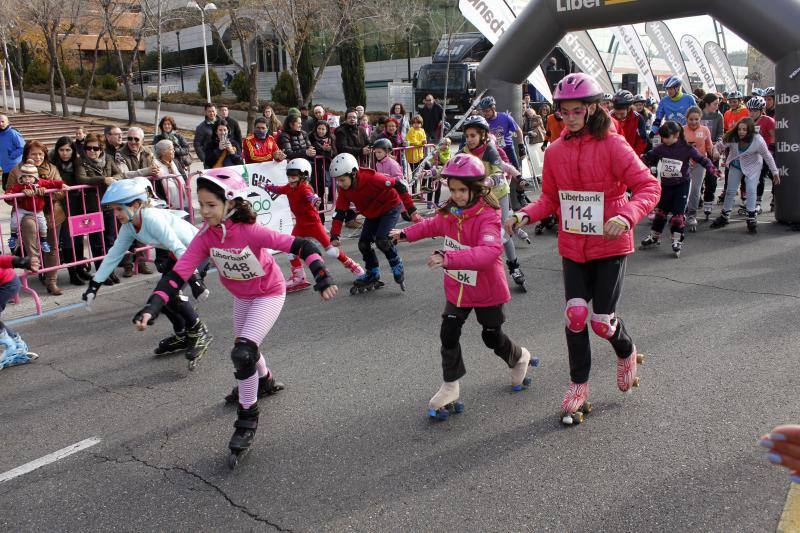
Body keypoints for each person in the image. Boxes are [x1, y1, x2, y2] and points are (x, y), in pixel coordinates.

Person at [132, 168, 337, 467]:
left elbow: (302, 245)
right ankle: (264, 381)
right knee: (248, 352)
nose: (204, 212)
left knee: (242, 352)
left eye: (210, 205)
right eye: (200, 204)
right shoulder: (206, 236)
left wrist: (321, 274)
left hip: (268, 293)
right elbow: (178, 274)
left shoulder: (251, 231)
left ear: (231, 204)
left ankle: (247, 420)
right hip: (243, 297)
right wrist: (152, 307)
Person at [506, 72, 660, 425]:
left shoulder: (614, 144)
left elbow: (649, 187)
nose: (571, 117)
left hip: (609, 245)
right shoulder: (556, 151)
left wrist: (627, 215)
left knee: (602, 323)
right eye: (565, 112)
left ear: (592, 109)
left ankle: (626, 351)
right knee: (575, 318)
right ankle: (579, 385)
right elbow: (549, 199)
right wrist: (523, 215)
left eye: (578, 111)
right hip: (573, 247)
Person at [389, 153, 534, 420]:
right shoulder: (451, 211)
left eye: (461, 190)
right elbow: (434, 224)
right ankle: (450, 386)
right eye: (452, 189)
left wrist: (447, 258)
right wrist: (405, 234)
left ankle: (518, 356)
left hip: (486, 288)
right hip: (458, 287)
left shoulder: (488, 215)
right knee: (448, 332)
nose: (456, 195)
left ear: (476, 189)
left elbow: (488, 253)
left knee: (491, 337)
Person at [82, 179, 211, 368]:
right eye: (114, 209)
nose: (115, 214)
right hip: (179, 255)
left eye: (119, 209)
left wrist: (195, 279)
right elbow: (113, 255)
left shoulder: (151, 217)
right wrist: (94, 285)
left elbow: (177, 247)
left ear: (135, 205)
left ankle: (199, 331)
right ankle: (183, 333)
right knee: (160, 297)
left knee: (172, 294)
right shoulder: (128, 227)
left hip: (195, 252)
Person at [263, 158, 364, 291]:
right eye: (289, 176)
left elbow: (311, 196)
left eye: (293, 177)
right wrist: (265, 185)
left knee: (332, 251)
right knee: (290, 251)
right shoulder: (288, 188)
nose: (290, 180)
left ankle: (355, 267)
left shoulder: (304, 188)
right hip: (300, 225)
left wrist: (315, 200)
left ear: (303, 176)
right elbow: (278, 189)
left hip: (314, 225)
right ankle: (299, 278)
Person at [328, 153, 420, 292]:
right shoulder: (344, 190)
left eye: (342, 180)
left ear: (353, 174)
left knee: (382, 240)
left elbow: (399, 186)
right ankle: (373, 273)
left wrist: (411, 210)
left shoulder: (372, 178)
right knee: (363, 244)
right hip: (372, 213)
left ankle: (396, 263)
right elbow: (340, 212)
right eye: (337, 181)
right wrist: (335, 235)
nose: (340, 184)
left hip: (390, 207)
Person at [460, 115, 527, 292]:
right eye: (467, 136)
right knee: (474, 232)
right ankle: (479, 269)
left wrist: (488, 181)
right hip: (479, 196)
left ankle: (514, 267)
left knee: (503, 233)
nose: (469, 139)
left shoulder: (490, 150)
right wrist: (436, 171)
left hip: (498, 194)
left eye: (473, 135)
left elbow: (499, 173)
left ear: (483, 135)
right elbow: (453, 167)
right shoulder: (465, 150)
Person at [640, 121, 718, 256]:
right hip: (666, 185)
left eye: (667, 137)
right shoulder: (661, 148)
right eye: (662, 137)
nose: (664, 140)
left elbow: (702, 159)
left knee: (678, 216)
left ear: (676, 135)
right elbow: (647, 157)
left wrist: (712, 169)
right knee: (661, 213)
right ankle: (654, 236)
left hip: (681, 185)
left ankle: (677, 239)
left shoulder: (687, 148)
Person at [7, 141, 66, 295]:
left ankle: (51, 281)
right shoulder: (16, 171)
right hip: (27, 212)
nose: (38, 156)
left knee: (52, 247)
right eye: (34, 153)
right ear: (27, 155)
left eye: (40, 153)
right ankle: (34, 264)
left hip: (52, 213)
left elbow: (61, 192)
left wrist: (45, 193)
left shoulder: (52, 168)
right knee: (30, 230)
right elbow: (8, 196)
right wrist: (20, 195)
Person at [710, 117, 779, 234]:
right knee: (730, 191)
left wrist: (775, 172)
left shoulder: (758, 140)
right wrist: (716, 151)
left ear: (750, 131)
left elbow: (767, 156)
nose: (741, 132)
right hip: (736, 165)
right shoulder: (733, 137)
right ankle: (725, 215)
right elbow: (718, 146)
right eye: (739, 129)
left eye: (744, 130)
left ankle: (751, 217)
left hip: (753, 166)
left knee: (751, 190)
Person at [75, 134, 124, 283]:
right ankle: (101, 273)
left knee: (110, 240)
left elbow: (119, 173)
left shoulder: (108, 158)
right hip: (91, 206)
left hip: (109, 203)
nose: (91, 151)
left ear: (101, 148)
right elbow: (81, 179)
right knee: (96, 241)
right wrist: (103, 180)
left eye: (95, 148)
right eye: (88, 148)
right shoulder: (81, 161)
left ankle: (110, 270)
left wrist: (113, 179)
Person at [51, 136, 93, 286]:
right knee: (68, 240)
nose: (65, 153)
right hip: (61, 207)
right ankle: (72, 273)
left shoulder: (77, 164)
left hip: (76, 205)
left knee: (79, 237)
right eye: (61, 150)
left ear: (73, 150)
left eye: (68, 150)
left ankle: (80, 267)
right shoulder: (53, 166)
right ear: (57, 151)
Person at [6, 161, 66, 256]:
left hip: (37, 211)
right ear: (21, 178)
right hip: (23, 210)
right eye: (25, 177)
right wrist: (11, 194)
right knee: (14, 221)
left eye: (30, 177)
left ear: (35, 177)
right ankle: (13, 237)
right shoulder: (19, 186)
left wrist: (61, 184)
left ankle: (43, 241)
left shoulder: (40, 183)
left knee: (43, 225)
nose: (27, 179)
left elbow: (51, 183)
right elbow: (10, 192)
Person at [0, 254, 40, 370]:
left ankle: (10, 346)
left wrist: (22, 262)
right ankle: (18, 345)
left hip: (7, 284)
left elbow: (3, 259)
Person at [682, 108, 715, 231]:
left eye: (696, 119)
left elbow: (709, 146)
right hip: (685, 164)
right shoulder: (682, 130)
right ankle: (681, 213)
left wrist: (714, 151)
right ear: (686, 119)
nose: (694, 122)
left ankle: (692, 215)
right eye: (691, 119)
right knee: (683, 189)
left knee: (695, 189)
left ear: (700, 119)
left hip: (699, 164)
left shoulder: (705, 130)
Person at [478, 95, 525, 171]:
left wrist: (521, 147)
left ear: (493, 108)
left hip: (508, 149)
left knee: (516, 172)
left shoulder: (505, 117)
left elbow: (518, 131)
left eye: (487, 111)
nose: (485, 113)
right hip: (493, 151)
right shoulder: (483, 122)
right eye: (483, 111)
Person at [747, 96, 776, 212]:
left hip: (766, 152)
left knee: (760, 176)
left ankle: (758, 202)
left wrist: (770, 150)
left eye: (755, 110)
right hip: (753, 154)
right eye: (750, 110)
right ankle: (752, 199)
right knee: (751, 177)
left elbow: (774, 136)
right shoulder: (748, 121)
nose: (752, 113)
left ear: (761, 110)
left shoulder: (768, 120)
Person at [153, 139, 188, 210]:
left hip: (185, 203)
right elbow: (156, 189)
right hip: (170, 207)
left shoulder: (175, 162)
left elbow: (185, 178)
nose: (174, 151)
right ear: (163, 152)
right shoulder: (155, 166)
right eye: (171, 149)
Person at [0, 115, 25, 191]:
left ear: (7, 122)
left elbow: (23, 147)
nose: (0, 123)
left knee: (15, 189)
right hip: (5, 167)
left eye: (2, 121)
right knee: (6, 188)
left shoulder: (13, 133)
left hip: (15, 167)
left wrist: (12, 155)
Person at [522, 107, 545, 178]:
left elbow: (540, 124)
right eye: (528, 113)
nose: (529, 114)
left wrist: (535, 126)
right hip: (530, 142)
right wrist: (528, 133)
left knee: (540, 159)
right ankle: (535, 176)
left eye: (530, 112)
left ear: (533, 112)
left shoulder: (537, 117)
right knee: (532, 160)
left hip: (538, 142)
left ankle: (540, 175)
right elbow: (524, 132)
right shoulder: (526, 120)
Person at [194, 103, 218, 168]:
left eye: (213, 111)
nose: (211, 113)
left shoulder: (223, 123)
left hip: (223, 158)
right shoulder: (201, 127)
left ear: (216, 111)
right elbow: (197, 144)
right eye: (209, 111)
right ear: (205, 113)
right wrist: (204, 159)